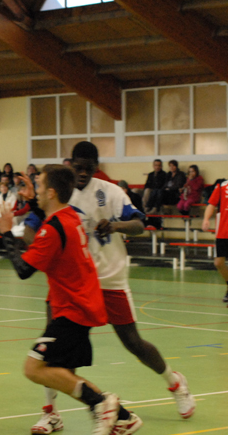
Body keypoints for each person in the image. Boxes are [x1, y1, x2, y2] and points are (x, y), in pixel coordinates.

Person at [26, 142, 194, 434]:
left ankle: (175, 383)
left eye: (88, 168)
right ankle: (51, 413)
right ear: (70, 164)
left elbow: (140, 224)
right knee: (58, 349)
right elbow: (31, 226)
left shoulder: (111, 192)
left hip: (109, 279)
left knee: (133, 342)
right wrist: (39, 248)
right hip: (72, 283)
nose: (82, 173)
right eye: (78, 167)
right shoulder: (60, 191)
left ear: (96, 167)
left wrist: (115, 226)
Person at [0, 165, 140, 435]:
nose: (35, 191)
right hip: (80, 305)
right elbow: (51, 220)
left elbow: (23, 270)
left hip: (73, 309)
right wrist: (32, 202)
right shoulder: (69, 216)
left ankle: (101, 404)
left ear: (51, 192)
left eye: (39, 186)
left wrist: (6, 232)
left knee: (34, 368)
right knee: (60, 373)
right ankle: (123, 417)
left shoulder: (52, 230)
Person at [202, 179, 228, 303]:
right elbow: (211, 204)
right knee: (218, 263)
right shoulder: (222, 186)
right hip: (223, 231)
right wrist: (206, 219)